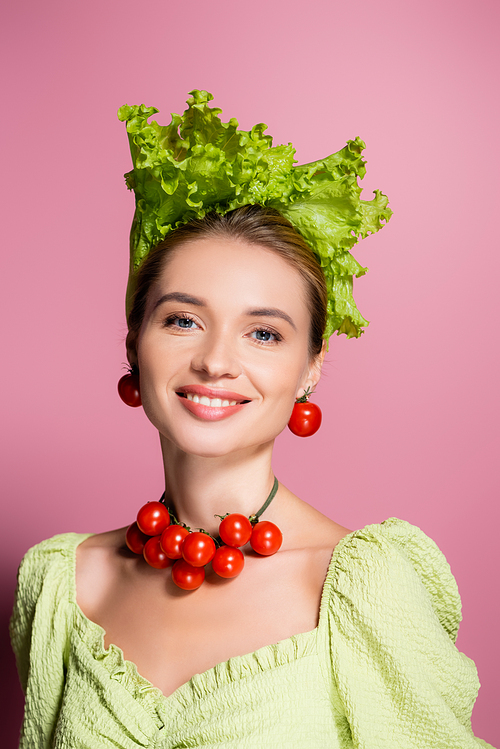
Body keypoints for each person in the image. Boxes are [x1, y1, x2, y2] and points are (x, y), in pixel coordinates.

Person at [10, 90, 493, 748]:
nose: (215, 360)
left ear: (311, 367)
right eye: (182, 320)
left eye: (263, 333)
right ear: (134, 342)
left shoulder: (361, 586)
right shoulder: (63, 584)